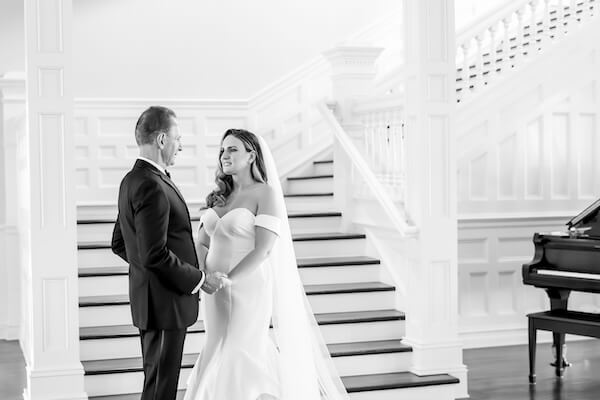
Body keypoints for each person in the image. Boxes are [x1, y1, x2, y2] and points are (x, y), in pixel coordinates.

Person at [184, 129, 349, 400]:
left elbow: (263, 249)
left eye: (233, 149)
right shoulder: (218, 196)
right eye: (222, 150)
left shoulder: (265, 194)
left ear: (251, 156)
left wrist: (229, 279)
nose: (224, 155)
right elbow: (201, 242)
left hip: (247, 287)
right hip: (212, 290)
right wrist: (206, 275)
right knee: (215, 345)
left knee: (241, 348)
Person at [111, 106, 227, 400]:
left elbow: (122, 243)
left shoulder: (132, 180)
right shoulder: (151, 184)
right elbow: (154, 254)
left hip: (153, 301)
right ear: (162, 140)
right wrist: (199, 279)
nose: (181, 145)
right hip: (164, 305)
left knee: (157, 385)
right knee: (161, 389)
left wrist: (146, 271)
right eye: (178, 138)